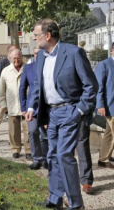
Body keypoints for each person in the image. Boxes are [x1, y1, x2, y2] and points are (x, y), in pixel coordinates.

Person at [26, 19, 98, 210]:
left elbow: (91, 86)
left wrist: (80, 110)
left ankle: (76, 204)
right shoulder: (41, 56)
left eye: (36, 35)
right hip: (50, 114)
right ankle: (55, 198)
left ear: (47, 35)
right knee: (51, 155)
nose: (34, 38)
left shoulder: (73, 52)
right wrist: (32, 107)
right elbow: (37, 86)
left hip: (70, 111)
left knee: (64, 155)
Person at [0, 49, 30, 159]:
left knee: (28, 129)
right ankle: (15, 148)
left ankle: (29, 150)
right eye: (14, 58)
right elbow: (1, 90)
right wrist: (3, 104)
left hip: (26, 105)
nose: (16, 60)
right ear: (10, 58)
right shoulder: (6, 71)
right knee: (13, 130)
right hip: (12, 105)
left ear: (22, 57)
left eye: (18, 57)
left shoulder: (28, 68)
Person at [20, 47, 48, 169]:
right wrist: (24, 107)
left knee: (45, 134)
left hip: (46, 107)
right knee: (32, 131)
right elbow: (22, 88)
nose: (37, 55)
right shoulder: (28, 68)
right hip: (32, 107)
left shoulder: (49, 66)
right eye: (35, 53)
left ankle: (46, 158)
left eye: (39, 53)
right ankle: (36, 158)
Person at [0, 44, 19, 143]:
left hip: (14, 95)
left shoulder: (18, 62)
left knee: (14, 116)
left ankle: (13, 138)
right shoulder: (2, 62)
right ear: (9, 52)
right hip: (2, 95)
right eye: (14, 51)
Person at [95, 42, 114, 170]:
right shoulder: (104, 65)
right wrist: (100, 104)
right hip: (110, 105)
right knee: (112, 133)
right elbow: (99, 87)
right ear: (112, 50)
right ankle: (104, 158)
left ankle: (104, 156)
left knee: (109, 133)